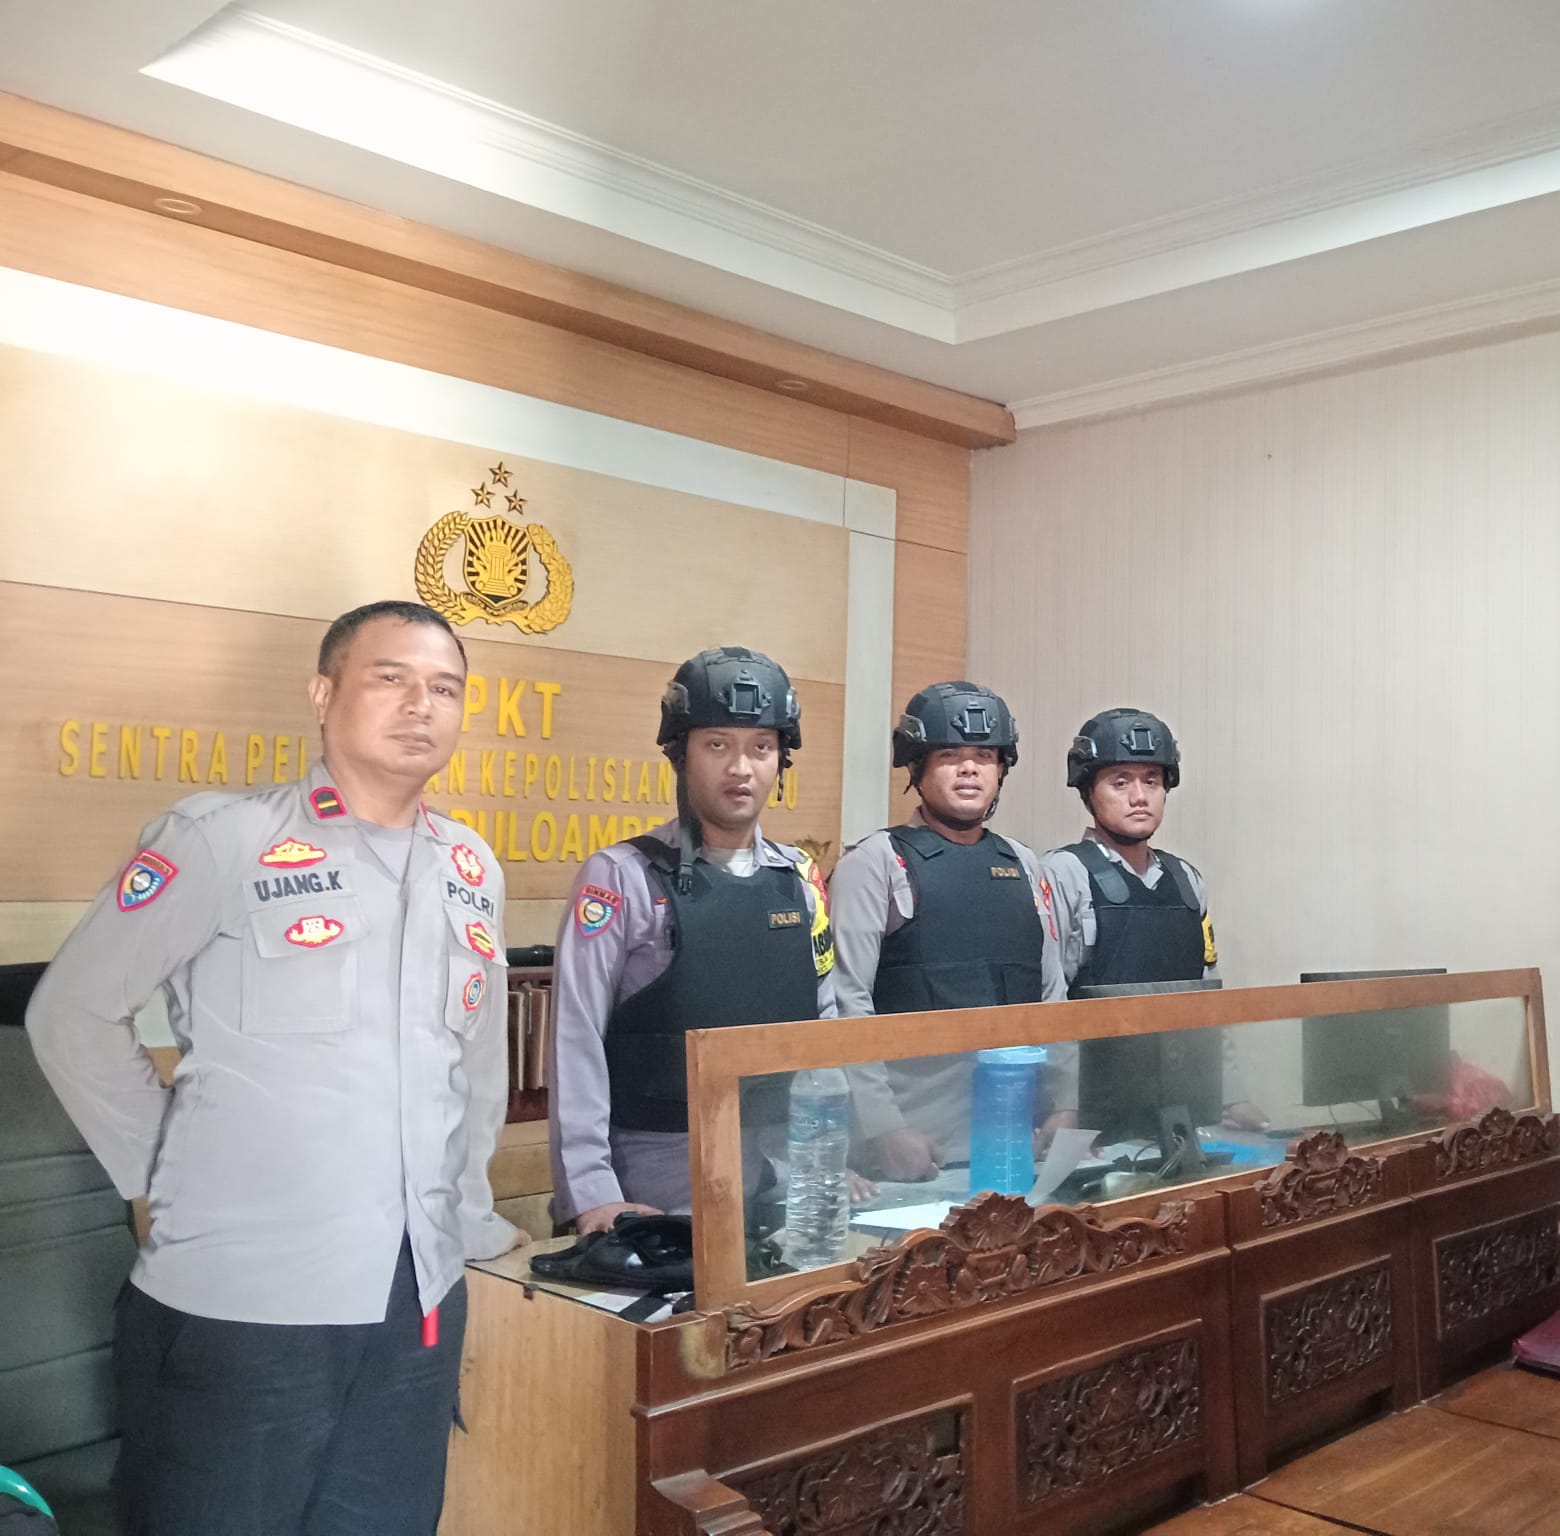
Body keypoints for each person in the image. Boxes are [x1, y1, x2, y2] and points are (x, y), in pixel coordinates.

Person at [26, 600, 519, 1536]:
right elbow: (71, 1014)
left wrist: (462, 1221)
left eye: (445, 688)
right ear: (323, 694)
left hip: (414, 1306)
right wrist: (162, 1173)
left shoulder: (470, 866)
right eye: (391, 678)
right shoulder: (224, 839)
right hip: (242, 1305)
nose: (421, 705)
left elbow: (477, 1070)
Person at [548, 646, 836, 1233]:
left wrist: (832, 1158)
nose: (741, 768)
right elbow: (575, 1041)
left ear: (781, 761)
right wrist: (591, 1194)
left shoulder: (801, 879)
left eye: (761, 747)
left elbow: (825, 1030)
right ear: (681, 755)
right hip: (653, 1195)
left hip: (780, 1188)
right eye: (717, 745)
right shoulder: (620, 876)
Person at [829, 682, 1070, 1182]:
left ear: (1001, 768)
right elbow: (847, 1005)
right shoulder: (876, 862)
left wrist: (1066, 1105)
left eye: (984, 756)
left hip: (1020, 1149)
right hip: (917, 1158)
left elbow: (1053, 998)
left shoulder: (1025, 864)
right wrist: (883, 1130)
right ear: (917, 767)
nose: (969, 768)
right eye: (949, 755)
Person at [1038, 707, 1266, 1129]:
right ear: (1088, 790)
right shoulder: (1062, 873)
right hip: (1093, 1115)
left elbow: (1208, 1001)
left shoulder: (1186, 879)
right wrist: (1065, 1106)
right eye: (1120, 782)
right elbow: (1051, 1004)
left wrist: (1232, 1097)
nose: (1139, 796)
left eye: (1152, 781)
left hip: (1181, 1110)